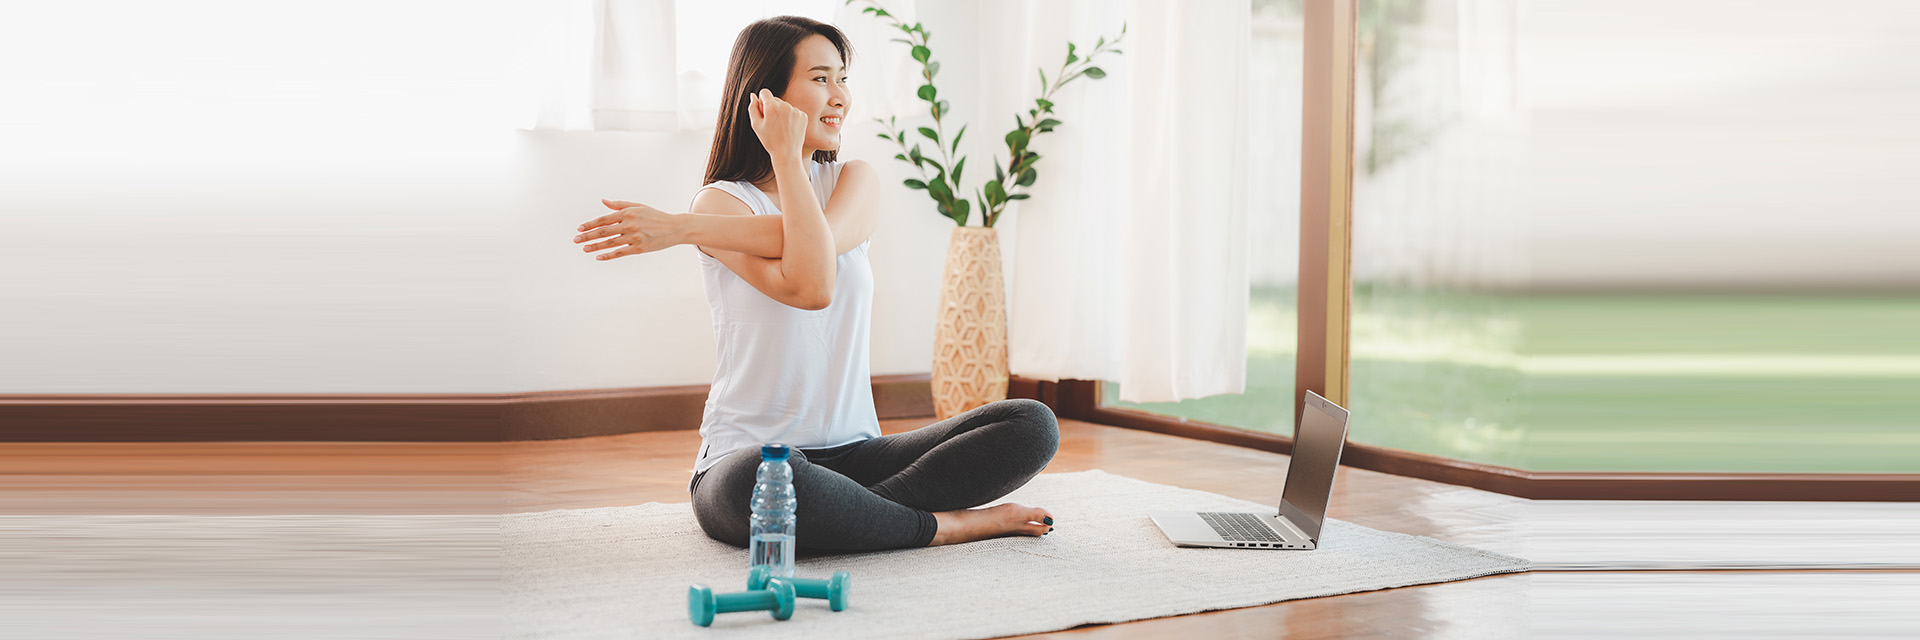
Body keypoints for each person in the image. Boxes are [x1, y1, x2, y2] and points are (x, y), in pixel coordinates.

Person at [569, 15, 1058, 552]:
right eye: (821, 78)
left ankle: (858, 516)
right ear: (765, 98)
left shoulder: (855, 181)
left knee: (1031, 423)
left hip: (858, 458)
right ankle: (947, 525)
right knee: (762, 478)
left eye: (843, 78)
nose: (840, 96)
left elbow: (814, 249)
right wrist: (772, 162)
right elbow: (810, 286)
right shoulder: (722, 202)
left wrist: (683, 229)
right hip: (747, 459)